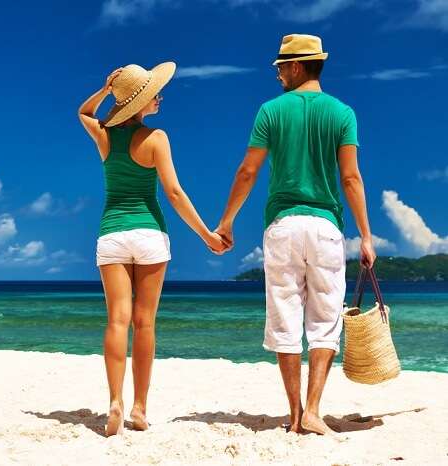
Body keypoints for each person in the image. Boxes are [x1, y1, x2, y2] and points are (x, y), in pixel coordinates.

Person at [214, 35, 376, 437]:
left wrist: (227, 221)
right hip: (324, 228)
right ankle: (315, 411)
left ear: (299, 66)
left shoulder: (271, 111)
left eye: (281, 67)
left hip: (284, 227)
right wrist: (366, 236)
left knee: (285, 319)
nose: (278, 73)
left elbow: (247, 171)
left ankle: (295, 412)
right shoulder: (342, 113)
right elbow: (351, 178)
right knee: (324, 320)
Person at [78, 62, 228, 436]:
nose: (159, 97)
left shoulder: (105, 136)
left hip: (112, 234)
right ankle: (140, 409)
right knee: (145, 323)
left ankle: (115, 400)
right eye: (152, 94)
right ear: (140, 102)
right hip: (148, 236)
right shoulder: (156, 138)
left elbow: (83, 111)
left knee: (117, 320)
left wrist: (105, 88)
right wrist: (207, 235)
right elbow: (174, 194)